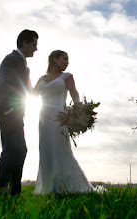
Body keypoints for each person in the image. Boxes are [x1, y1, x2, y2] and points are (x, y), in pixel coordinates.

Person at [33, 50, 105, 194]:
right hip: (43, 119)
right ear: (54, 60)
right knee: (46, 151)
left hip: (59, 118)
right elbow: (32, 94)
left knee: (61, 151)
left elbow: (74, 93)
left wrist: (78, 110)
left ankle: (67, 186)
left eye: (68, 60)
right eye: (64, 59)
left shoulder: (67, 76)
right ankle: (49, 187)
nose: (67, 62)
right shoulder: (41, 78)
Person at [0, 29, 38, 195]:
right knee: (11, 149)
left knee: (20, 149)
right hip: (8, 111)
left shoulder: (25, 66)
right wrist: (10, 108)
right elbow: (1, 85)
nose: (36, 48)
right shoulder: (11, 59)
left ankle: (15, 190)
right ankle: (3, 188)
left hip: (17, 112)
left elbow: (31, 91)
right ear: (25, 43)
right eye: (34, 44)